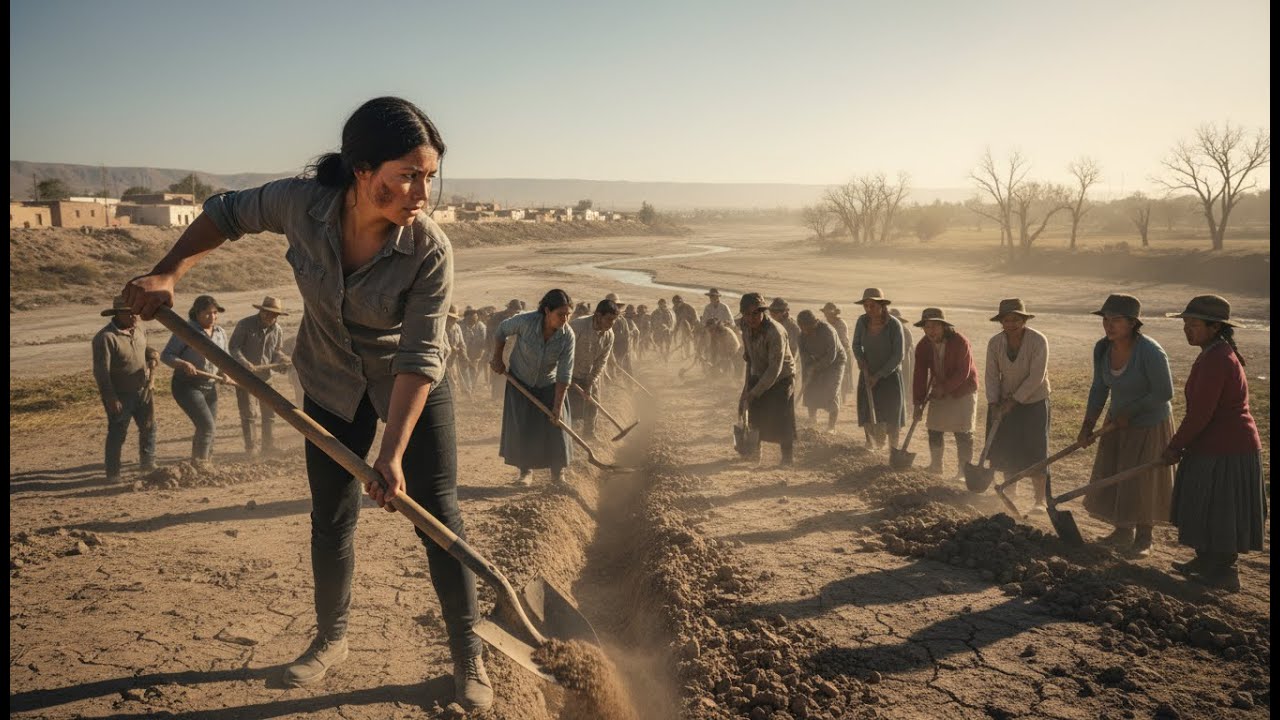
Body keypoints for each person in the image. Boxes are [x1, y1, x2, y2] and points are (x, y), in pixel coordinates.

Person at [124, 97, 492, 708]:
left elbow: (420, 358)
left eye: (430, 177)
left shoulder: (430, 250)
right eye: (406, 175)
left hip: (409, 386)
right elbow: (223, 213)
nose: (421, 193)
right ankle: (331, 639)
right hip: (330, 379)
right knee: (332, 516)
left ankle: (467, 655)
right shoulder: (302, 204)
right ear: (361, 168)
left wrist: (392, 454)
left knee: (439, 514)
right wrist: (168, 273)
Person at [1162, 296, 1265, 592]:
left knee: (1219, 509)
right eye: (1185, 324)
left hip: (1227, 448)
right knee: (1203, 505)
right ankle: (1204, 561)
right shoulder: (1213, 353)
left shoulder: (1217, 359)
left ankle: (1223, 572)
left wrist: (1175, 446)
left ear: (1215, 326)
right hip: (1211, 445)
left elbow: (1200, 413)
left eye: (1193, 324)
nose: (1186, 330)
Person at [1079, 294, 1174, 558]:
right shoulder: (1102, 349)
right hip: (1117, 421)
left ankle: (1144, 537)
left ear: (1133, 323)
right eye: (1106, 320)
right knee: (1116, 471)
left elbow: (1164, 392)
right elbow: (1099, 388)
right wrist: (1088, 425)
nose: (1108, 325)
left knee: (1141, 478)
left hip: (1149, 422)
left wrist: (1130, 413)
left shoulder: (1150, 351)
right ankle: (1122, 532)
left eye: (1116, 320)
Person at [492, 289, 576, 488]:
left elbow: (564, 374)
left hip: (549, 382)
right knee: (523, 426)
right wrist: (497, 358)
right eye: (560, 314)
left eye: (568, 315)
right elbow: (501, 331)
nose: (565, 319)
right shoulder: (525, 321)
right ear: (547, 311)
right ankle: (525, 473)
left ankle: (558, 474)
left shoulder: (567, 336)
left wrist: (557, 406)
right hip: (520, 379)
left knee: (556, 426)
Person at [984, 299, 1052, 511]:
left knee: (1036, 450)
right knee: (1006, 447)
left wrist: (1014, 400)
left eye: (1016, 319)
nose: (1011, 324)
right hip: (1003, 401)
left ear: (1023, 320)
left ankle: (1039, 500)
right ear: (1001, 322)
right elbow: (992, 375)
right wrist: (994, 403)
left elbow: (1036, 377)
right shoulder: (995, 343)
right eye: (1006, 320)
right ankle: (1009, 493)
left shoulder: (1038, 341)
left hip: (1034, 402)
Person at [92, 295, 158, 482]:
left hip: (143, 389)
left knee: (149, 427)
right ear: (117, 313)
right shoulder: (105, 338)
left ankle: (148, 465)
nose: (134, 316)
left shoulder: (139, 330)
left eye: (135, 312)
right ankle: (113, 473)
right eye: (129, 313)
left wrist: (152, 354)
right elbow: (101, 372)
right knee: (118, 432)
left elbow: (144, 348)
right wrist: (110, 397)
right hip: (120, 394)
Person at [161, 295, 231, 468]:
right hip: (187, 386)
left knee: (209, 428)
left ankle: (203, 462)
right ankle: (201, 465)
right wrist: (183, 363)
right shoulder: (185, 331)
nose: (212, 317)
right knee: (207, 426)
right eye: (207, 313)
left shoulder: (220, 333)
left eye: (215, 313)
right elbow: (167, 355)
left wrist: (225, 373)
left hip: (209, 385)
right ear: (197, 313)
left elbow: (225, 359)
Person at [912, 308, 978, 477]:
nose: (930, 331)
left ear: (944, 327)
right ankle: (936, 466)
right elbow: (919, 374)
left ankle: (963, 472)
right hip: (939, 388)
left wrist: (945, 389)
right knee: (934, 428)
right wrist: (918, 403)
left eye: (935, 326)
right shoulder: (923, 345)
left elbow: (963, 372)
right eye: (927, 327)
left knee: (962, 432)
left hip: (963, 390)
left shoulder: (960, 341)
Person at [738, 292, 798, 465]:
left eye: (756, 313)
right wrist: (747, 391)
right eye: (747, 314)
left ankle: (787, 459)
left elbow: (774, 369)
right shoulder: (745, 324)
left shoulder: (776, 332)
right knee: (751, 410)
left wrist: (754, 392)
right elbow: (749, 355)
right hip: (759, 369)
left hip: (782, 376)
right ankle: (754, 454)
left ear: (763, 312)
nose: (751, 318)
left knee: (781, 415)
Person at [229, 296, 291, 457]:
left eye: (274, 315)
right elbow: (234, 348)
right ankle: (251, 449)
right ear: (261, 311)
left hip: (266, 377)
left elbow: (276, 352)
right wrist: (245, 363)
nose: (271, 317)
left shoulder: (277, 330)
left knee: (269, 413)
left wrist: (282, 359)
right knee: (249, 414)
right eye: (268, 313)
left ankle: (268, 446)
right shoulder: (245, 324)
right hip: (245, 377)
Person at [851, 288, 906, 450]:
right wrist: (861, 360)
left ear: (882, 305)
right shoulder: (862, 322)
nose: (869, 309)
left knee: (892, 413)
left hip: (889, 375)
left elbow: (898, 355)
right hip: (867, 372)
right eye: (866, 306)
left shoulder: (894, 325)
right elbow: (856, 345)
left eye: (873, 306)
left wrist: (880, 375)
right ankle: (871, 444)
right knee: (867, 410)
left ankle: (893, 448)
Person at [568, 299, 618, 440]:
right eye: (608, 319)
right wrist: (566, 375)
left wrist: (591, 380)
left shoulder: (609, 335)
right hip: (569, 373)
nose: (611, 323)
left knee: (593, 403)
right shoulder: (577, 327)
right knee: (568, 407)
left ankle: (589, 434)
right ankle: (565, 436)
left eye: (614, 320)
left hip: (588, 375)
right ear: (598, 315)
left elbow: (602, 360)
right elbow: (562, 351)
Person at [796, 309, 845, 431]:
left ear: (815, 323)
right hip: (815, 361)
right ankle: (812, 420)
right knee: (810, 388)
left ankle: (831, 427)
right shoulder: (801, 336)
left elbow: (831, 356)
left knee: (831, 390)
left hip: (836, 362)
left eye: (809, 327)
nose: (806, 331)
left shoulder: (828, 331)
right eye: (803, 328)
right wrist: (808, 372)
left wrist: (817, 367)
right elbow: (804, 356)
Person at [487, 299, 523, 400]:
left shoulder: (517, 319)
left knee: (508, 373)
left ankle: (504, 395)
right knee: (498, 371)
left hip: (510, 350)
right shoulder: (497, 318)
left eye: (518, 312)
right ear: (509, 309)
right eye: (515, 311)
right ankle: (496, 396)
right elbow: (492, 334)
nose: (516, 313)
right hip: (497, 347)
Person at [822, 302, 853, 404]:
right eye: (826, 313)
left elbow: (842, 341)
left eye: (828, 313)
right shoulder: (827, 324)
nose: (826, 315)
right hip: (831, 351)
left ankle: (842, 398)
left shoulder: (841, 324)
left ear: (834, 314)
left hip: (843, 351)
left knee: (843, 376)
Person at [891, 308, 915, 409]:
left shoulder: (905, 332)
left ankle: (904, 407)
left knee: (904, 384)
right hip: (893, 363)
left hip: (904, 362)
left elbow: (905, 348)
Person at [460, 307, 488, 392]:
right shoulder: (460, 325)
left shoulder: (481, 326)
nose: (474, 320)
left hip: (476, 353)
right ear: (466, 318)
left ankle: (471, 388)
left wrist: (479, 356)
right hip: (462, 352)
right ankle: (466, 389)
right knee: (464, 370)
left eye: (476, 318)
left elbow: (484, 342)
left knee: (474, 371)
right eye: (472, 318)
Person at [444, 305, 470, 397]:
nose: (453, 320)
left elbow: (462, 343)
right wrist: (451, 348)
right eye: (451, 318)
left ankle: (453, 399)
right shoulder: (441, 328)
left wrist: (464, 355)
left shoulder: (457, 327)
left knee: (454, 379)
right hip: (443, 360)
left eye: (454, 318)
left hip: (453, 360)